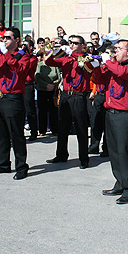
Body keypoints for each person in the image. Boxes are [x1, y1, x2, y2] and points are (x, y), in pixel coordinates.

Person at [90, 39, 128, 204]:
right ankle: (120, 183)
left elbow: (123, 74)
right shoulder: (113, 66)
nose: (115, 51)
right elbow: (100, 80)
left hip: (125, 115)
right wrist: (97, 66)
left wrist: (108, 61)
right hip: (111, 112)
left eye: (119, 48)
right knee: (113, 152)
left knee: (124, 152)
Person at [0, 28, 31, 179]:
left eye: (8, 38)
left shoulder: (23, 56)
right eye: (3, 38)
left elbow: (19, 70)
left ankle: (21, 167)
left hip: (13, 98)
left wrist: (6, 53)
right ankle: (3, 164)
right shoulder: (0, 55)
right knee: (0, 134)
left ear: (17, 40)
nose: (4, 40)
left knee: (16, 134)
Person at [45, 34, 92, 168]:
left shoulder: (86, 58)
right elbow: (49, 62)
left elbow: (88, 66)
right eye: (70, 42)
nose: (72, 45)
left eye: (75, 43)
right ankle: (61, 154)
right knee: (62, 127)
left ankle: (84, 158)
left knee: (81, 128)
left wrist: (73, 54)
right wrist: (54, 52)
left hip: (79, 96)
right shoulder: (66, 58)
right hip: (66, 94)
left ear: (82, 46)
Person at [35, 51, 60, 136]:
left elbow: (59, 77)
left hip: (53, 90)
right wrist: (46, 85)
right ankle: (42, 130)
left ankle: (55, 129)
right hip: (42, 90)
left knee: (53, 110)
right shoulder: (40, 65)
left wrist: (53, 85)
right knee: (42, 110)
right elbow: (37, 77)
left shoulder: (54, 64)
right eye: (45, 55)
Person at [23, 39, 38, 141]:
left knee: (30, 109)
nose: (23, 47)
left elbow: (27, 67)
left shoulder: (33, 58)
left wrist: (24, 53)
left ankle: (33, 132)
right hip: (19, 84)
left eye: (26, 46)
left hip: (28, 85)